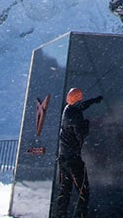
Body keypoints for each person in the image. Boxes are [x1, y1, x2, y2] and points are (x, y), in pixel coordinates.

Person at [49, 87, 102, 218]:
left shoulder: (68, 110)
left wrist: (93, 101)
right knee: (84, 191)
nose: (82, 100)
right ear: (77, 99)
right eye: (80, 98)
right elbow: (81, 134)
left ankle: (60, 215)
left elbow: (80, 107)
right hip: (74, 160)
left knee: (65, 190)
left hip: (63, 159)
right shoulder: (76, 115)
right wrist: (87, 124)